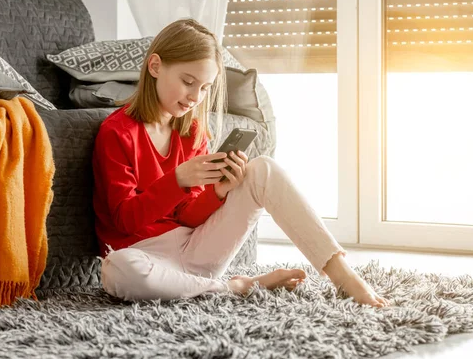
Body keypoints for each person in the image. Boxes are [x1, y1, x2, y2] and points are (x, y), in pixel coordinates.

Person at [92, 18, 390, 308]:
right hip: (145, 259)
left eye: (205, 87)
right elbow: (124, 220)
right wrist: (178, 180)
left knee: (263, 169)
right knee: (117, 268)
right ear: (155, 66)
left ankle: (343, 275)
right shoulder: (116, 133)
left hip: (197, 251)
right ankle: (237, 286)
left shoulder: (192, 131)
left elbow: (188, 217)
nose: (196, 97)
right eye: (188, 82)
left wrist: (218, 192)